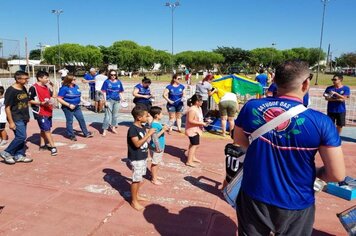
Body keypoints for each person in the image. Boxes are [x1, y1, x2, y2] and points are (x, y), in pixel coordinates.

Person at [233, 60, 345, 236]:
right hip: (296, 200)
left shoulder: (251, 107)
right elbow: (337, 174)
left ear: (275, 80)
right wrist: (316, 172)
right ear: (306, 83)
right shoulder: (321, 122)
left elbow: (239, 140)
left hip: (254, 193)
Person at [127, 105, 156, 210]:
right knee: (136, 179)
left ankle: (137, 195)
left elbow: (144, 143)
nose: (147, 117)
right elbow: (137, 144)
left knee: (139, 178)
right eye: (146, 116)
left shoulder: (142, 127)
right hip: (136, 157)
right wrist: (148, 134)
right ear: (139, 117)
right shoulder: (132, 129)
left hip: (142, 156)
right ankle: (134, 201)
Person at [0, 71, 33, 164]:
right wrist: (11, 122)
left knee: (20, 137)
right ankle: (6, 152)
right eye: (25, 78)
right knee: (21, 136)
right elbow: (7, 107)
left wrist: (27, 116)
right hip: (16, 117)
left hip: (24, 117)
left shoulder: (23, 88)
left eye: (27, 78)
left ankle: (19, 155)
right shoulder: (11, 91)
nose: (27, 80)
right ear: (18, 79)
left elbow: (25, 103)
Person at [28, 71, 57, 156]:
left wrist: (53, 87)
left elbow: (54, 96)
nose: (47, 79)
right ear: (40, 78)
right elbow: (29, 100)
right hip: (40, 111)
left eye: (48, 77)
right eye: (46, 78)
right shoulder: (33, 88)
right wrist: (41, 103)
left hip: (48, 110)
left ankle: (42, 144)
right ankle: (53, 147)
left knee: (44, 129)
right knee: (47, 130)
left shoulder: (46, 87)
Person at [57, 75, 93, 141]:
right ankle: (71, 135)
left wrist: (84, 102)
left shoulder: (76, 86)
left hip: (77, 106)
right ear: (69, 81)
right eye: (73, 79)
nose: (75, 81)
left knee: (81, 119)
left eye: (75, 79)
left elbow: (79, 96)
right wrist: (69, 105)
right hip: (67, 108)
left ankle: (86, 133)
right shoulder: (64, 88)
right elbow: (59, 99)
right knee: (70, 121)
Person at [101, 69, 125, 136]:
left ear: (116, 75)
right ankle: (104, 130)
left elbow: (120, 91)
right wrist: (105, 101)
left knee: (115, 115)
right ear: (109, 75)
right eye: (111, 75)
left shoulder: (119, 82)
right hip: (109, 100)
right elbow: (104, 92)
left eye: (114, 75)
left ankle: (113, 127)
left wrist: (122, 98)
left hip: (117, 100)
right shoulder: (106, 82)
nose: (113, 76)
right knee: (107, 116)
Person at [185, 94, 207, 167]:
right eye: (201, 101)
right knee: (195, 145)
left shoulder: (199, 108)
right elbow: (190, 120)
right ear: (197, 102)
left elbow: (199, 118)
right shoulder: (192, 109)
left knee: (193, 144)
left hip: (197, 129)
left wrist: (204, 122)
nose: (202, 102)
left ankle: (192, 157)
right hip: (192, 130)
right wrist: (201, 123)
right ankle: (189, 161)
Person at [149, 106, 168, 185]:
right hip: (157, 146)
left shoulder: (156, 123)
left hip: (158, 145)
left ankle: (155, 175)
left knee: (157, 162)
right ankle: (154, 179)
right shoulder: (154, 124)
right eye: (161, 114)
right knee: (155, 163)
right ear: (157, 115)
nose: (162, 115)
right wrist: (163, 130)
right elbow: (155, 137)